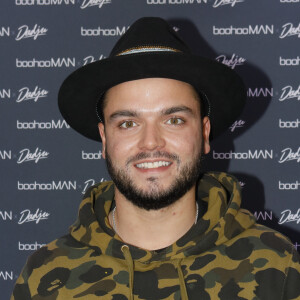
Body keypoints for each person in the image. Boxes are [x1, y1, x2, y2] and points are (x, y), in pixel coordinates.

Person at [11, 17, 300, 300]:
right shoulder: (44, 278)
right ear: (104, 138)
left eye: (173, 120)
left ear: (204, 132)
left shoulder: (277, 267)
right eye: (127, 123)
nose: (151, 142)